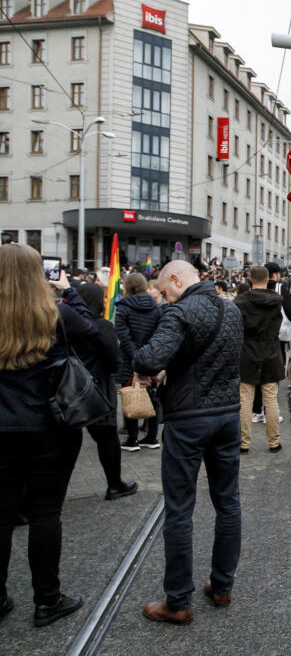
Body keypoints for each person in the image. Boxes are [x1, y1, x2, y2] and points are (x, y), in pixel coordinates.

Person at [133, 260, 243, 625]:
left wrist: (148, 364)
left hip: (189, 419)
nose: (164, 298)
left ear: (177, 280)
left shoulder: (178, 313)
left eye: (165, 291)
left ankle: (178, 601)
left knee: (180, 509)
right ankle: (223, 585)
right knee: (228, 502)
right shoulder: (231, 309)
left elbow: (148, 357)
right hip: (228, 415)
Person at [0, 245, 99, 627]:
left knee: (2, 516)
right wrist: (69, 288)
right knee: (46, 514)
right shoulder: (56, 314)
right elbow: (94, 330)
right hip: (49, 430)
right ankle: (46, 599)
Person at [75, 280, 138, 500]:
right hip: (98, 389)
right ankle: (115, 484)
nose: (105, 301)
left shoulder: (65, 323)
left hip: (68, 390)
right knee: (107, 439)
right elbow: (113, 361)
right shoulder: (101, 327)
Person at [233, 266, 285, 455]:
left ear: (250, 279)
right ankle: (274, 442)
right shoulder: (277, 300)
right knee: (270, 400)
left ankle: (243, 443)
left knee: (245, 400)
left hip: (247, 353)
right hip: (271, 352)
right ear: (268, 278)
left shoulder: (241, 301)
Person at [115, 273, 163, 450]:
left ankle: (132, 439)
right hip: (150, 358)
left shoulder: (123, 308)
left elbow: (123, 337)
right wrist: (147, 356)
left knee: (130, 394)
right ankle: (152, 437)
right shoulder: (156, 308)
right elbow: (159, 335)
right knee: (152, 397)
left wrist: (136, 358)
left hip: (130, 360)